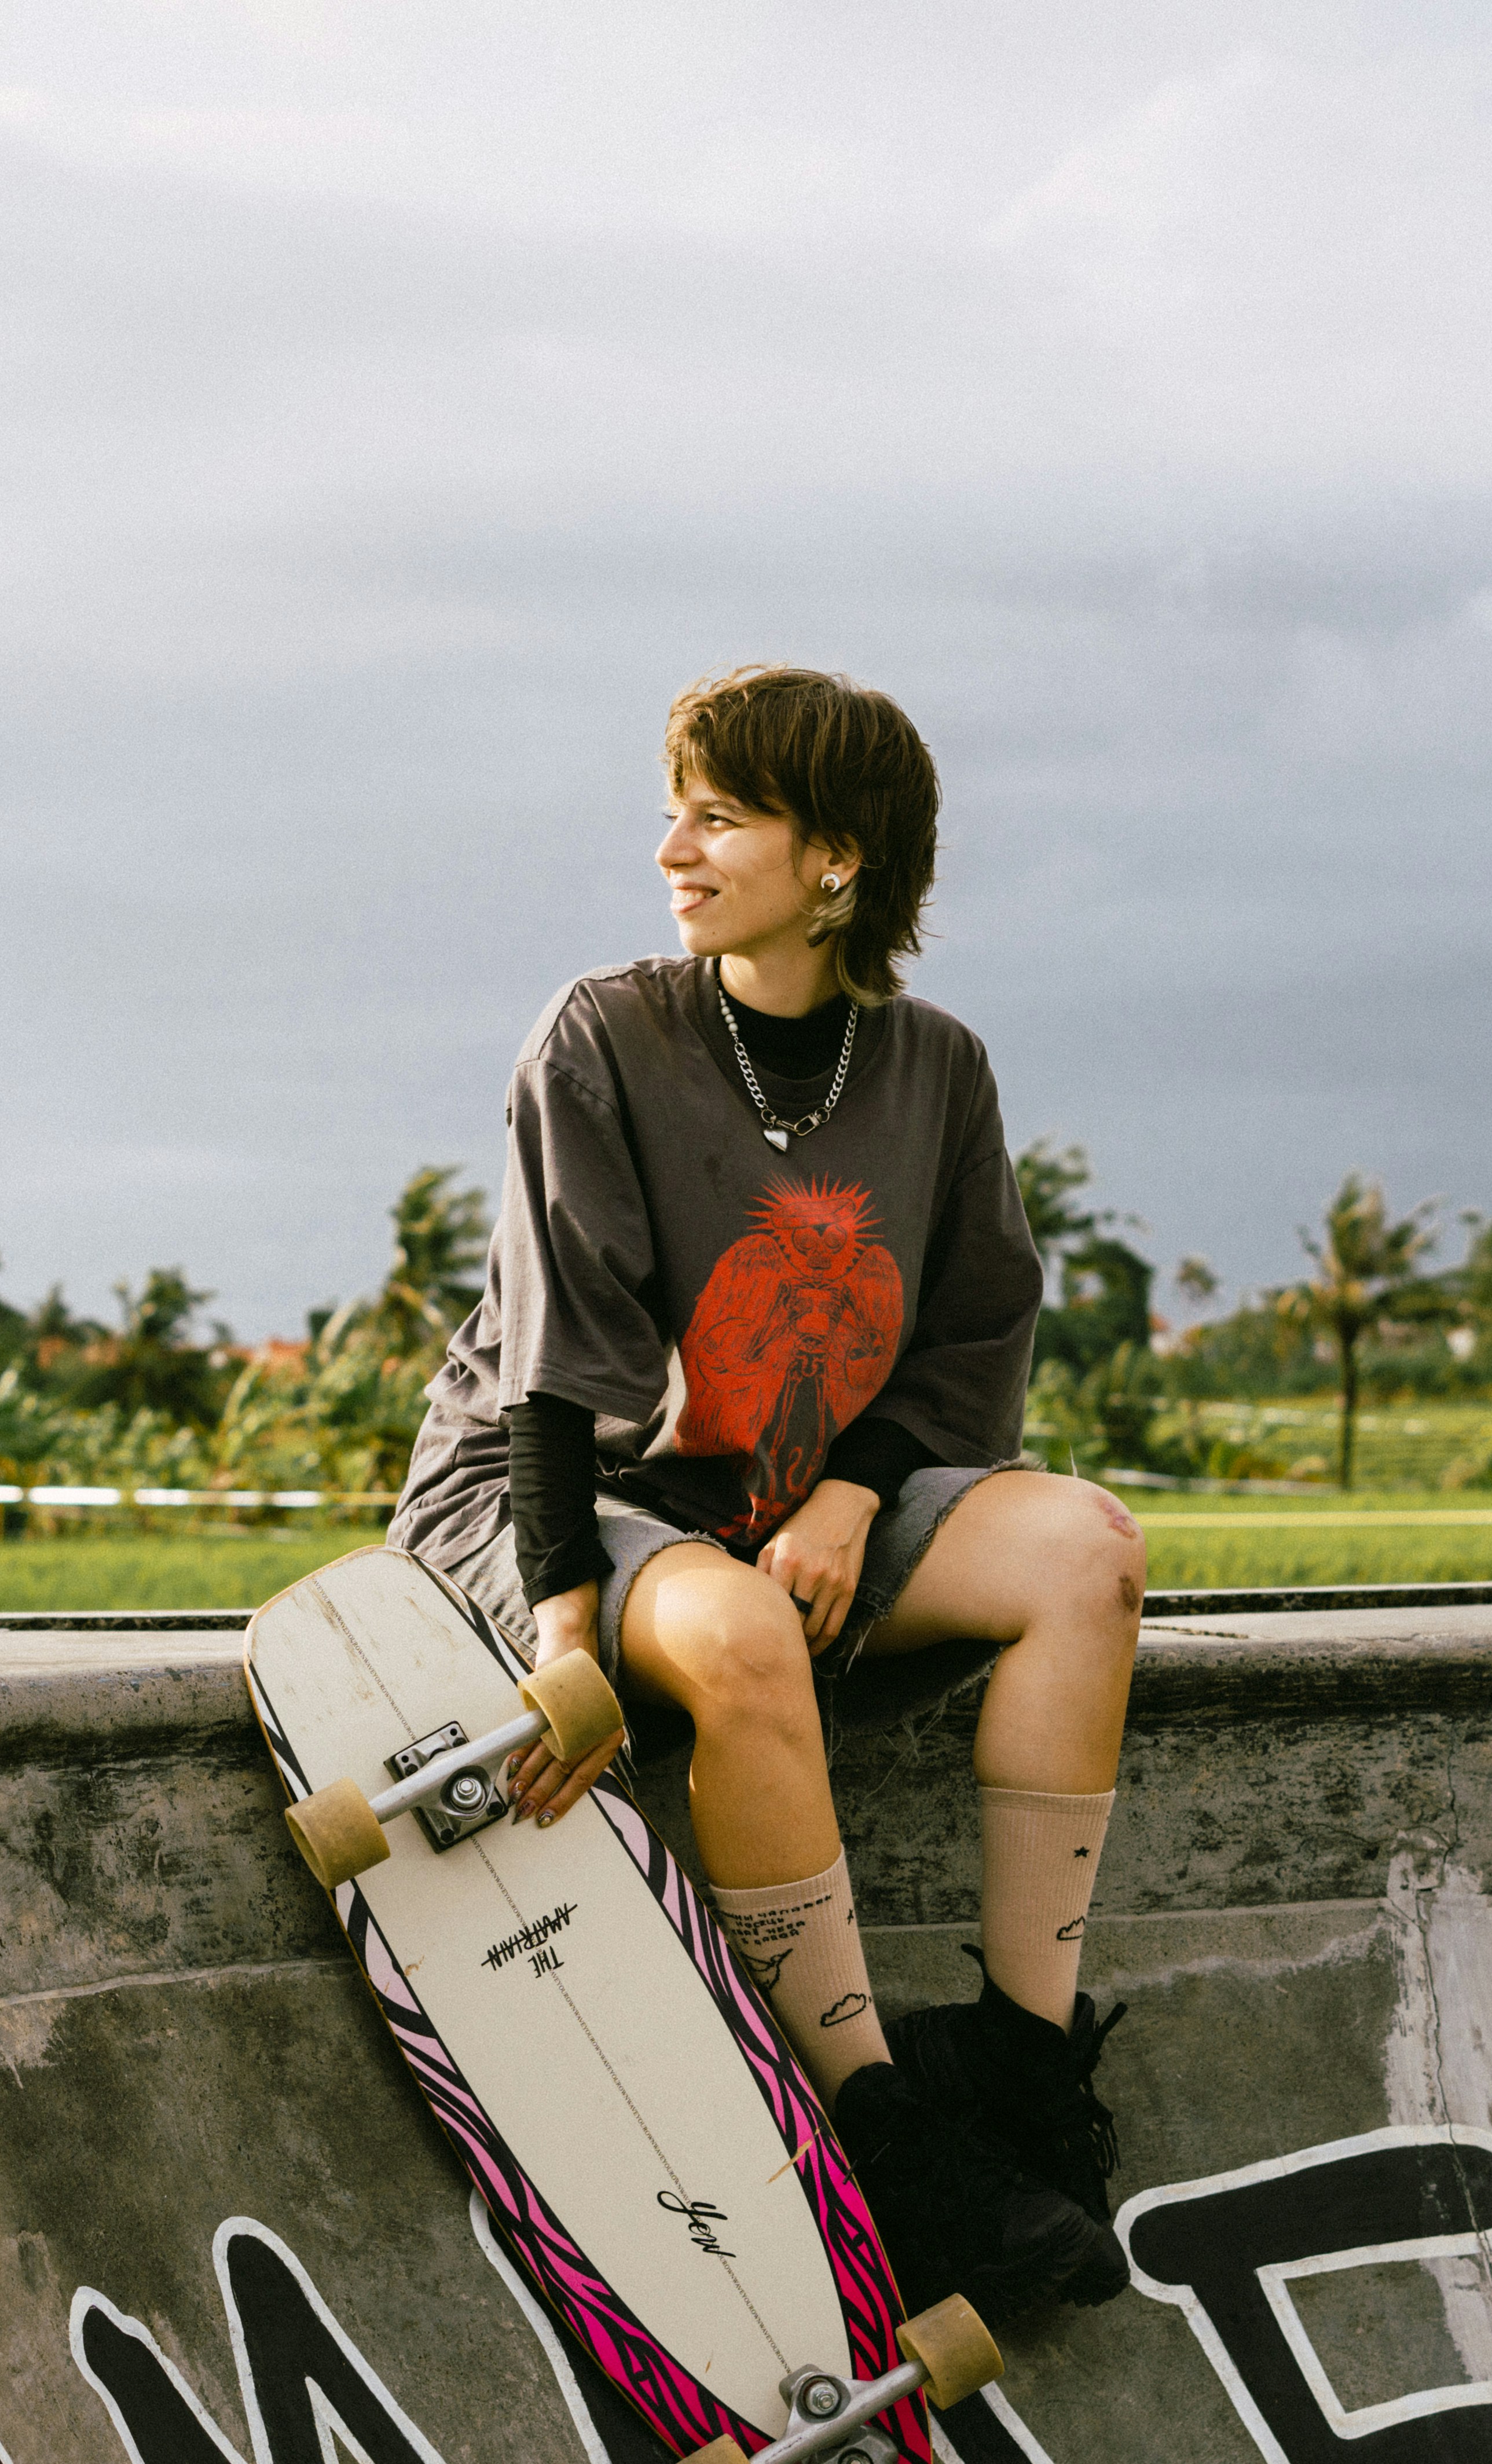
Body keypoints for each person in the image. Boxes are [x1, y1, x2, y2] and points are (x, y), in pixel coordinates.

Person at [390, 665, 1150, 2320]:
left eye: (720, 816)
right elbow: (555, 1369)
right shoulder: (603, 1035)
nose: (675, 848)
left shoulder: (934, 1069)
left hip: (797, 1498)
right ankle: (877, 2131)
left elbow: (965, 1346)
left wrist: (860, 1492)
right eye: (674, 811)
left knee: (1087, 1549)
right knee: (736, 1638)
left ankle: (1021, 2071)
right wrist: (568, 1637)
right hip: (547, 1493)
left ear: (838, 859)